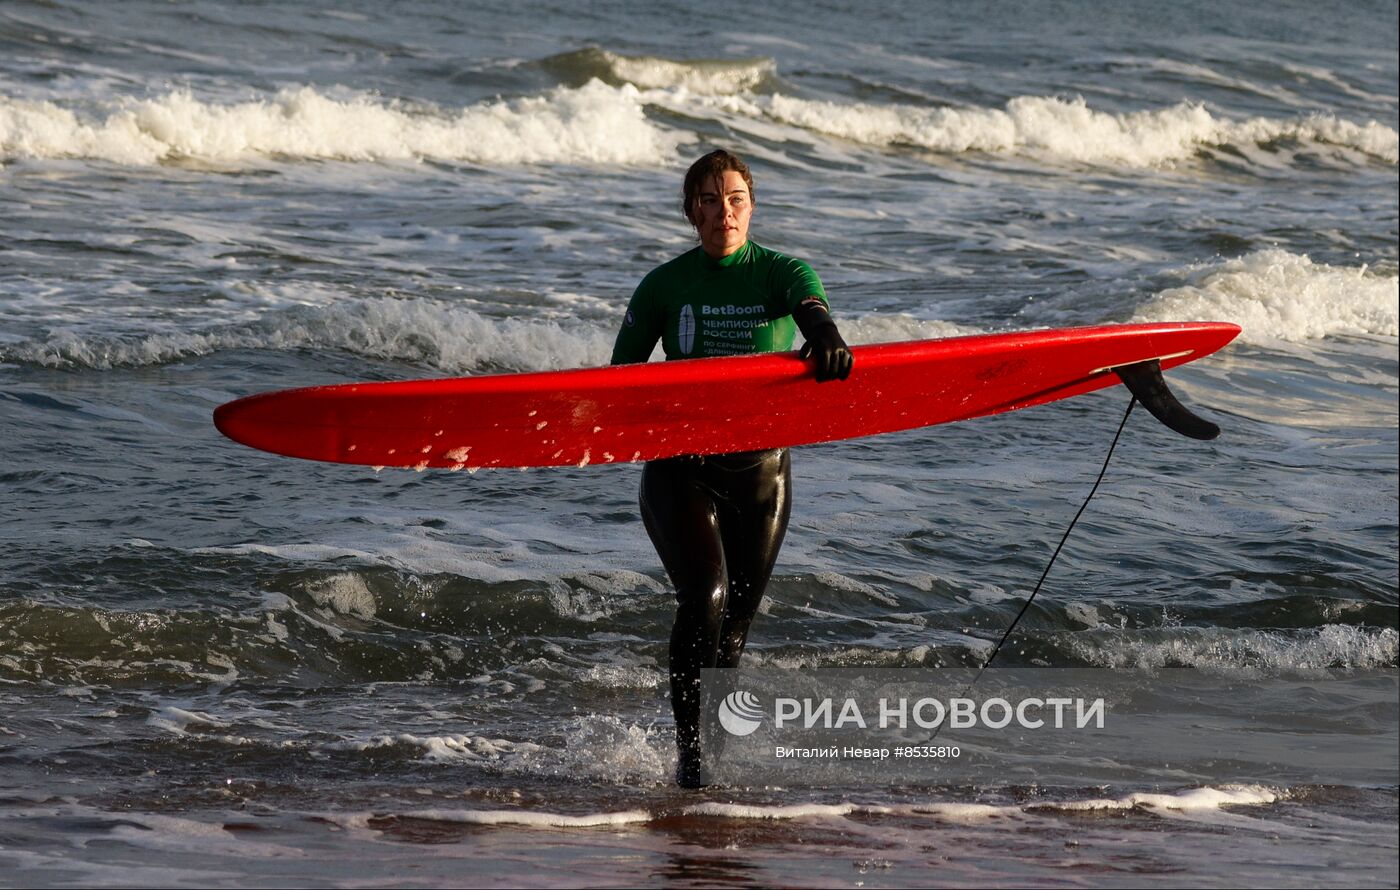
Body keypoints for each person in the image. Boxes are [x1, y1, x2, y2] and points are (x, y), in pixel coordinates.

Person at [610, 149, 853, 788]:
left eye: (736, 198)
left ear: (752, 204)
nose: (725, 212)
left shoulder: (781, 270)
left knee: (737, 621)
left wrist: (823, 335)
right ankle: (692, 763)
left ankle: (711, 755)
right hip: (680, 468)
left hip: (762, 471)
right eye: (711, 200)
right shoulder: (663, 285)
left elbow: (809, 306)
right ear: (692, 211)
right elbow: (620, 381)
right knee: (705, 598)